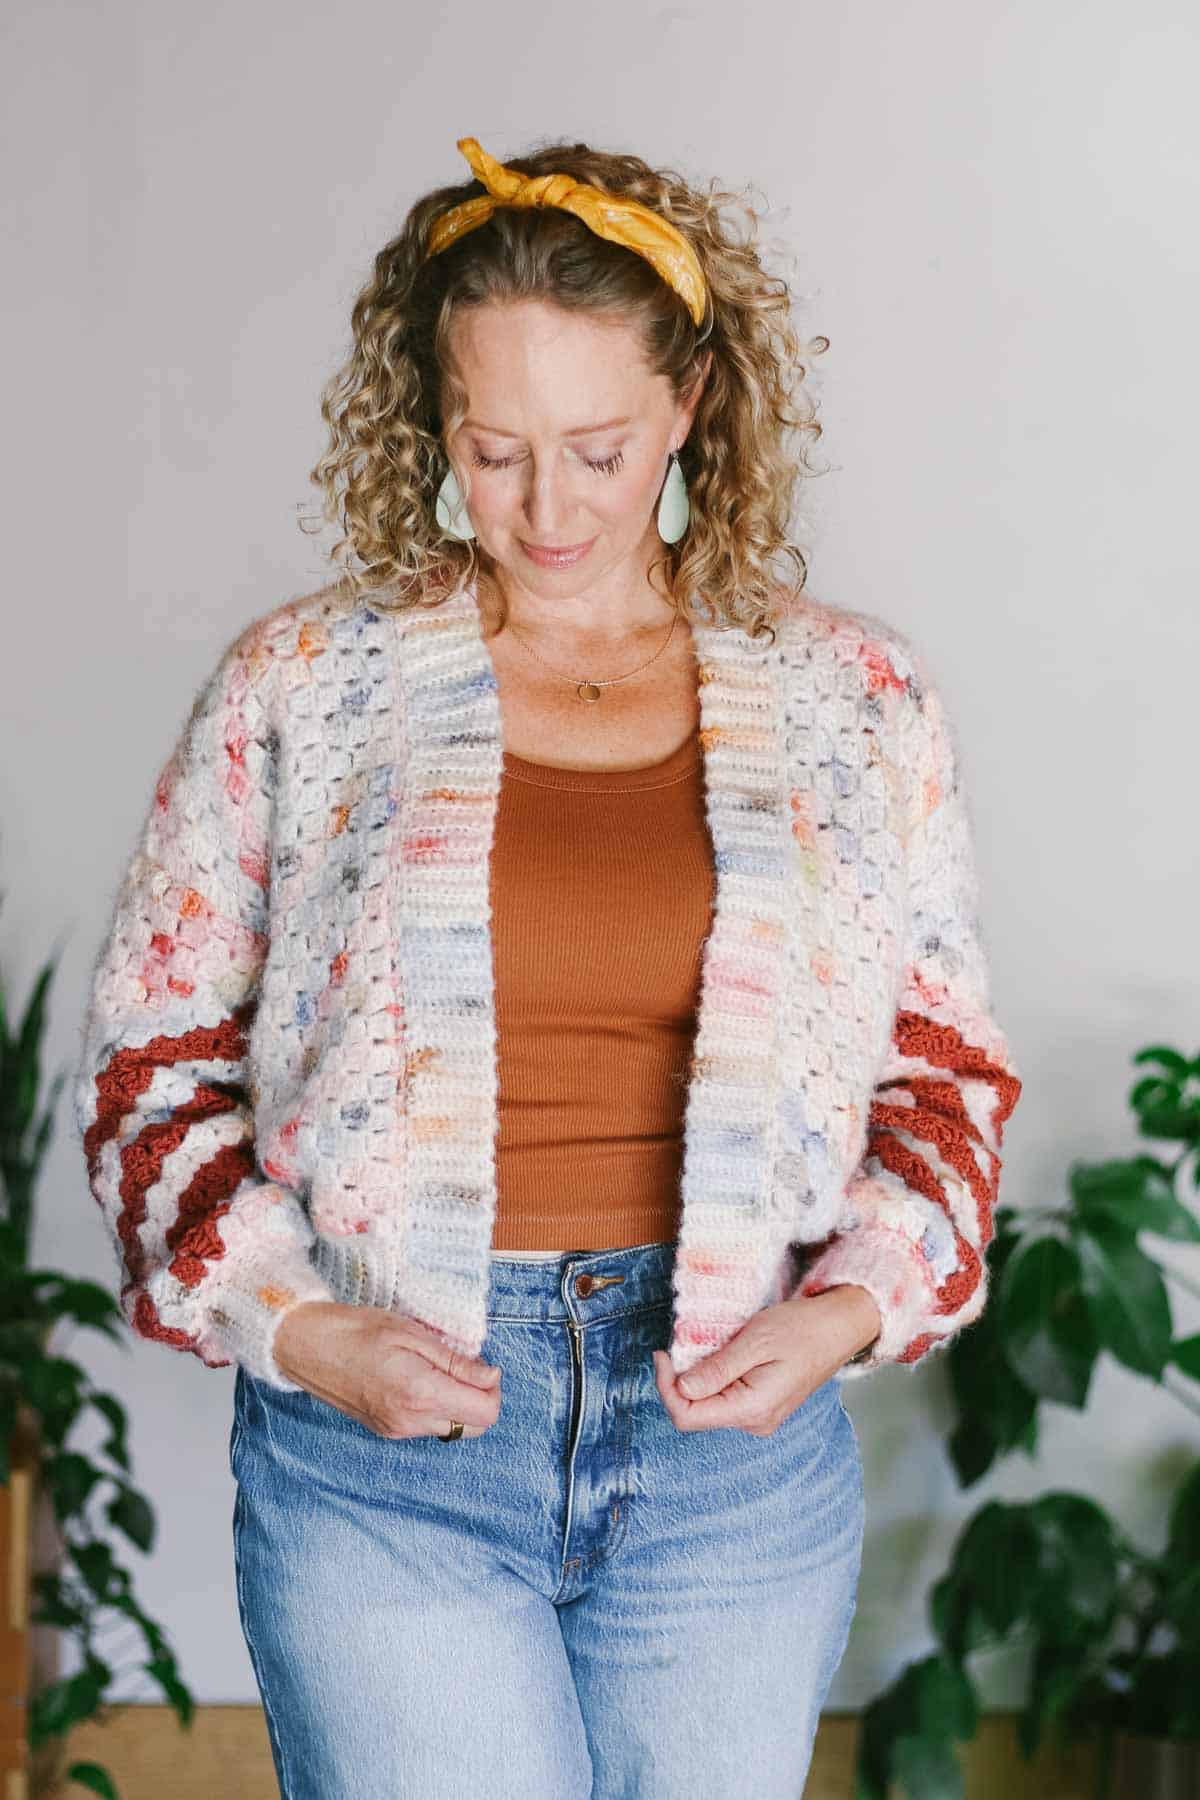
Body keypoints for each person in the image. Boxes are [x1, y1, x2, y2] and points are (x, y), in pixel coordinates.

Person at [73, 134, 1023, 1799]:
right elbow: (153, 1056)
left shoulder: (856, 702)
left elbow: (942, 1068)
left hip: (734, 1442)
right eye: (492, 449)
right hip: (392, 1441)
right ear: (430, 426)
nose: (548, 508)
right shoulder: (305, 685)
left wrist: (852, 1308)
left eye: (597, 450)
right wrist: (299, 1328)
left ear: (691, 406)